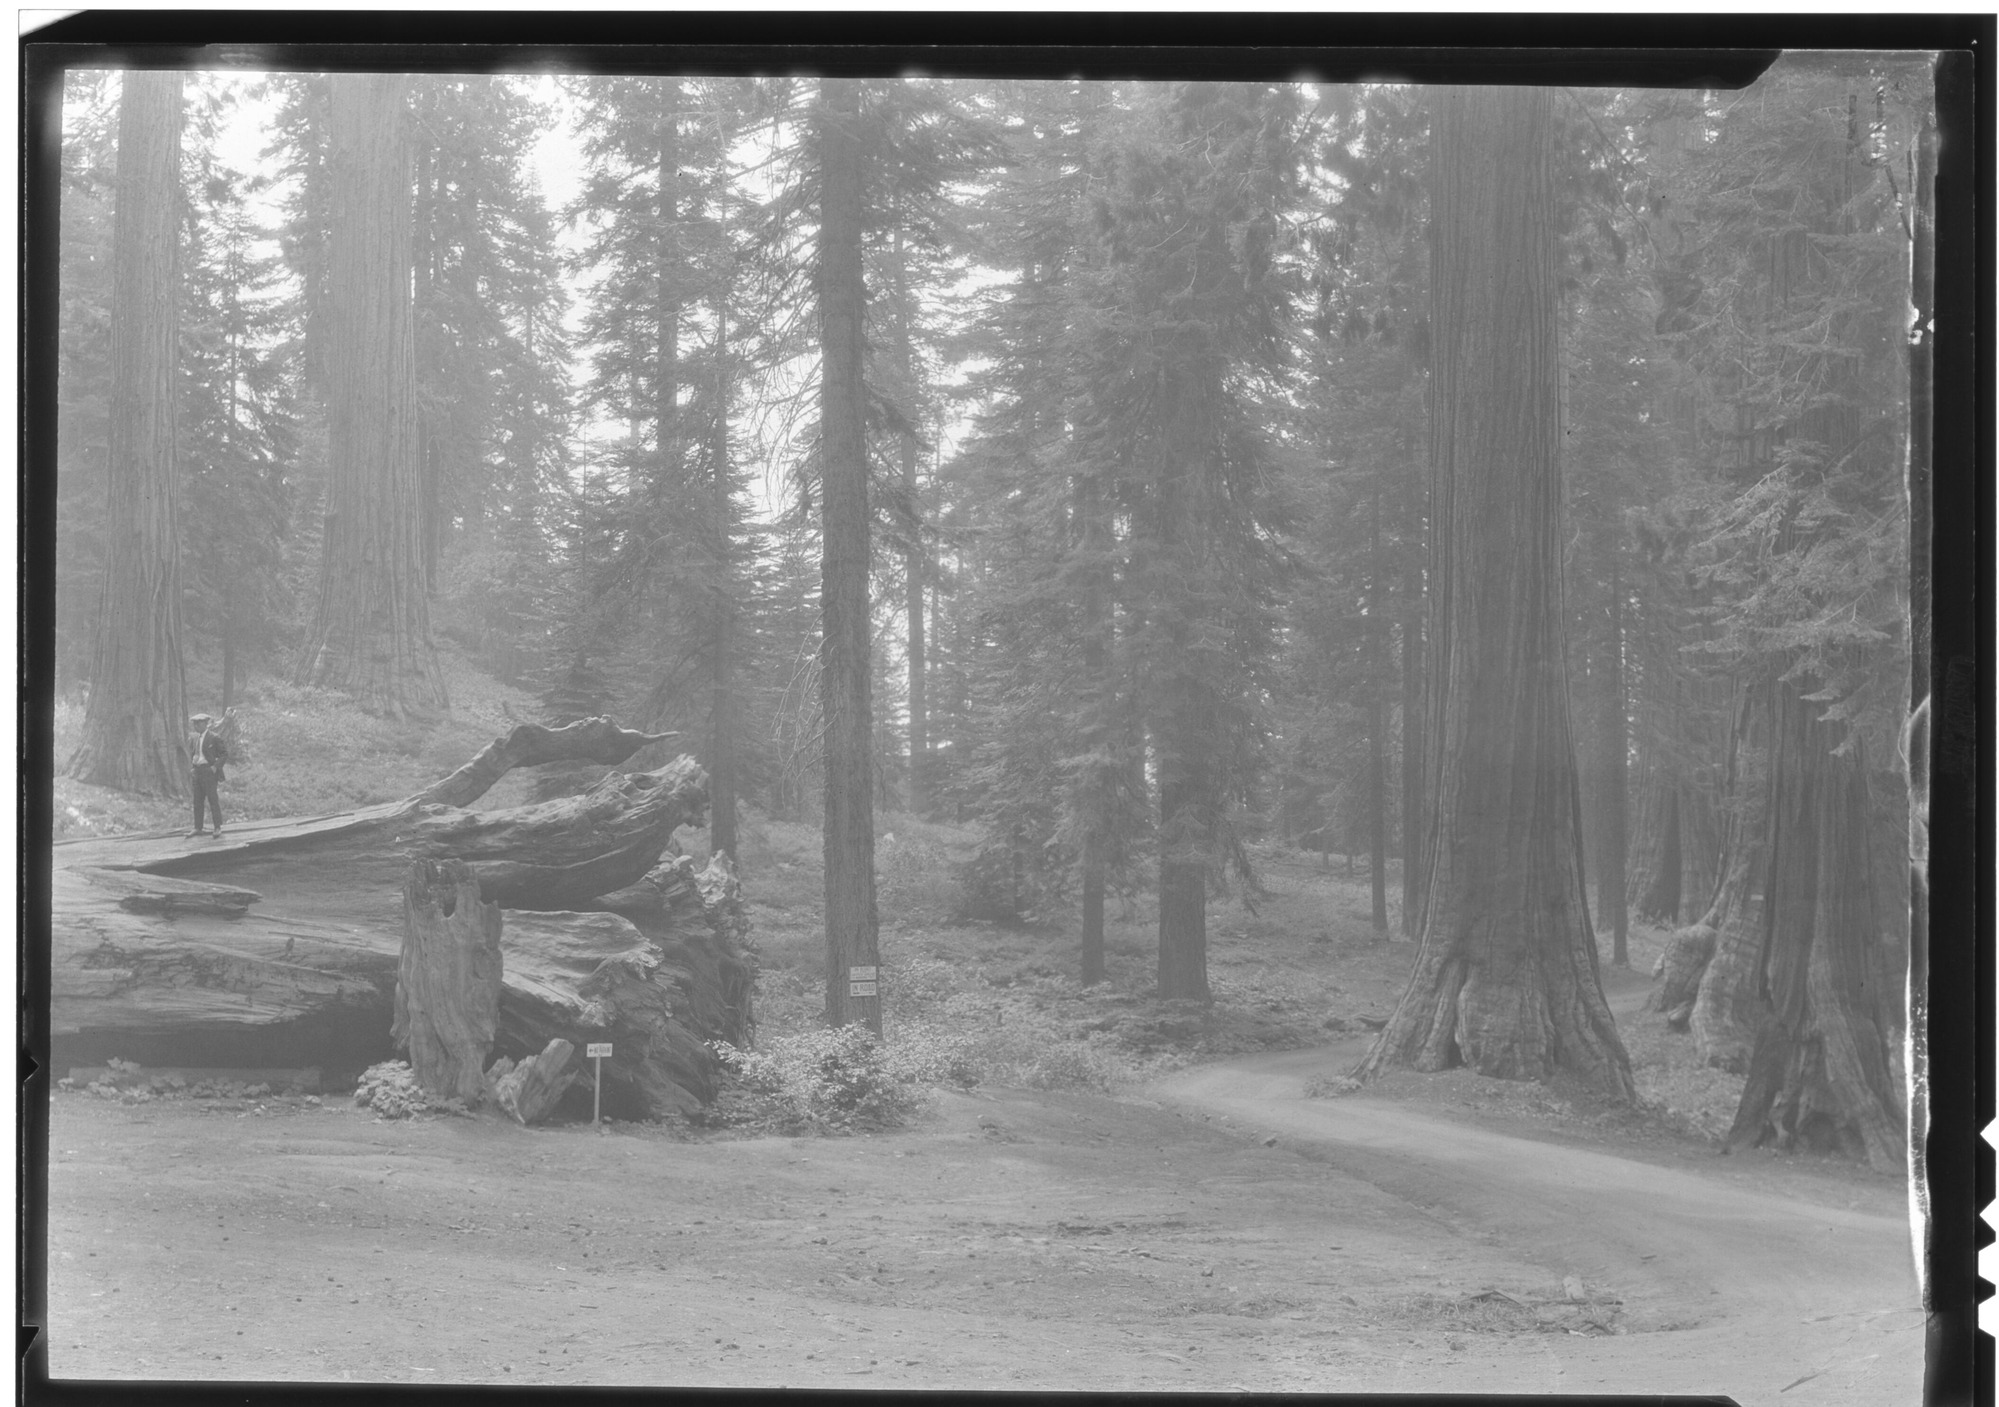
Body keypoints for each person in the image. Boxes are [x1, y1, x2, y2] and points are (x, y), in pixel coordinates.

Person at [187, 712, 228, 837]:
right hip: (198, 772)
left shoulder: (214, 737)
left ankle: (217, 827)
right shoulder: (195, 739)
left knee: (212, 799)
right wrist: (193, 768)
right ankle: (197, 827)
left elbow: (224, 754)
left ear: (206, 723)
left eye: (199, 723)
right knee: (197, 801)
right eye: (195, 723)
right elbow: (195, 755)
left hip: (209, 772)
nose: (196, 726)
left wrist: (215, 767)